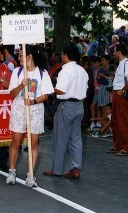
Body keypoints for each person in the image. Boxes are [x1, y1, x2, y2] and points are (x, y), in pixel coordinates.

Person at [6, 45, 54, 187]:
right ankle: (12, 172)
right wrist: (21, 86)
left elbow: (46, 95)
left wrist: (33, 101)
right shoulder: (17, 72)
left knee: (33, 144)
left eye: (21, 55)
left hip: (35, 109)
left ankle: (30, 175)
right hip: (19, 108)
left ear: (30, 56)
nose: (19, 57)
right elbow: (12, 93)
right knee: (16, 142)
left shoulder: (42, 73)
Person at [43, 44, 88, 179]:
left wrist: (50, 88)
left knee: (60, 139)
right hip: (79, 106)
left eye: (62, 54)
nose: (61, 56)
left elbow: (61, 90)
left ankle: (56, 170)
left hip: (66, 106)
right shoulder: (82, 71)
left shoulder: (65, 71)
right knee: (76, 139)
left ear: (66, 55)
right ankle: (75, 168)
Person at [109, 44, 128, 156]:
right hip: (116, 94)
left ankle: (125, 147)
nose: (113, 53)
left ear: (119, 52)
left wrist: (123, 91)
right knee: (115, 120)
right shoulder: (121, 64)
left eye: (115, 51)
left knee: (123, 121)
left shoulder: (126, 63)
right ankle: (118, 145)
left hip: (121, 95)